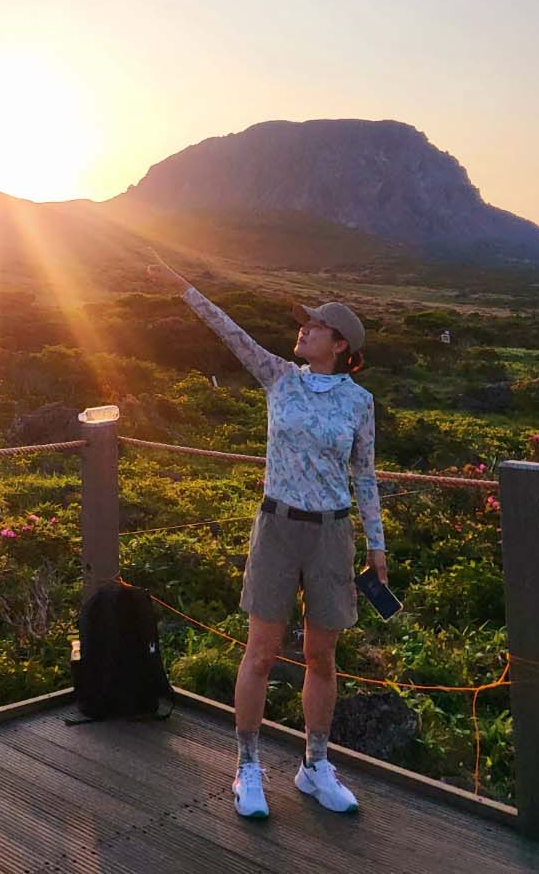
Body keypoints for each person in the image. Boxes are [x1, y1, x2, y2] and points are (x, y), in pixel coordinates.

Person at [146, 253, 386, 821]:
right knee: (260, 651)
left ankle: (315, 765)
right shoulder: (279, 376)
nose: (303, 328)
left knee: (322, 657)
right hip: (276, 527)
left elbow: (366, 476)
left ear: (341, 347)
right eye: (305, 322)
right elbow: (230, 331)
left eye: (316, 325)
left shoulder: (360, 403)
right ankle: (247, 767)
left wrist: (376, 544)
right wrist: (183, 290)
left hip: (331, 534)